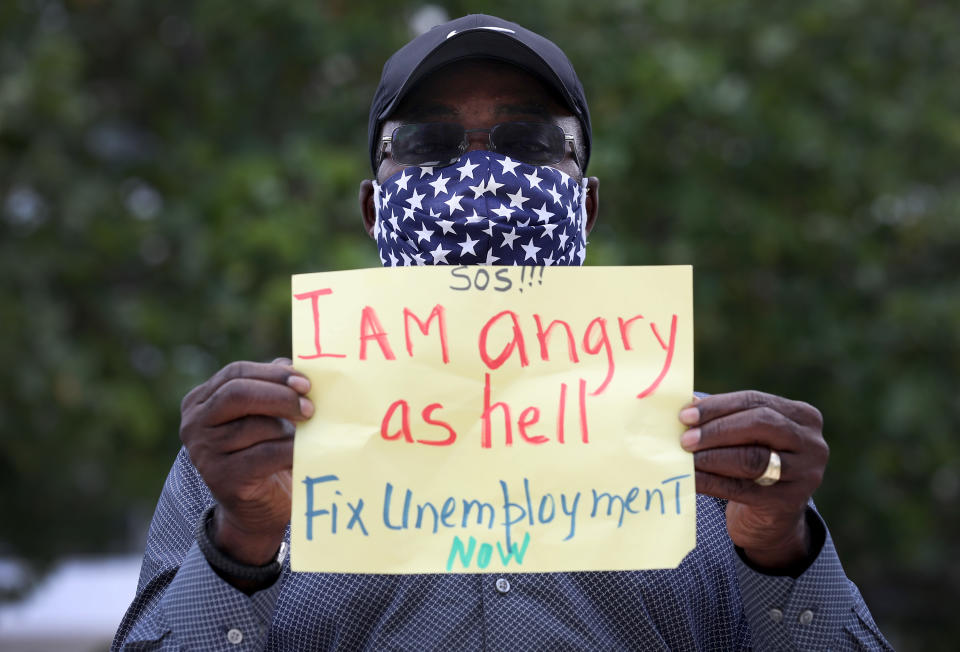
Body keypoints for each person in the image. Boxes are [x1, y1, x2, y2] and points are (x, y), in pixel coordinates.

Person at [114, 14, 891, 650]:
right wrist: (239, 547)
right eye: (426, 144)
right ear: (371, 209)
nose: (480, 175)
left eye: (528, 142)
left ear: (583, 207)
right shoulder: (247, 458)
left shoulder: (721, 465)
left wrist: (782, 555)